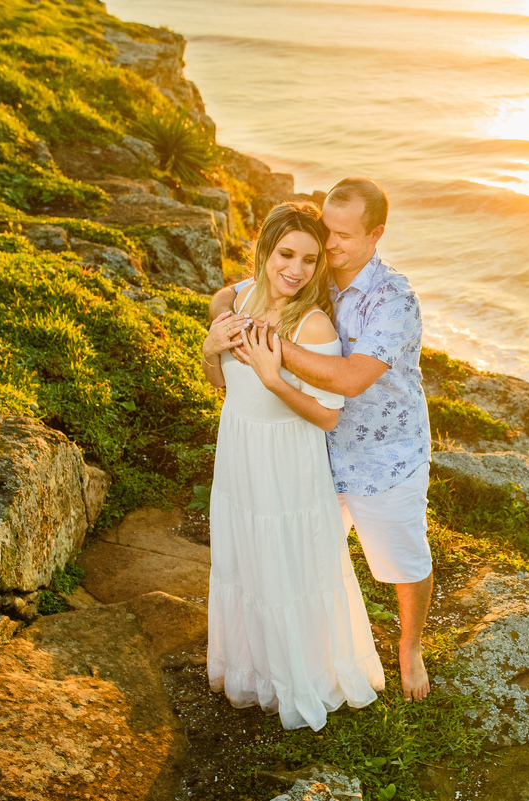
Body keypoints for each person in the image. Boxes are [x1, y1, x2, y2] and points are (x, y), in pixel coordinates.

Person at [210, 178, 433, 702]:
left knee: (403, 560)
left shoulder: (392, 297)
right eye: (325, 231)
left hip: (382, 457)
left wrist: (270, 349)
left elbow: (352, 378)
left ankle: (411, 646)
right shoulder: (316, 274)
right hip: (310, 452)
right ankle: (306, 657)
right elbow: (258, 281)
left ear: (376, 234)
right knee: (305, 563)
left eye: (342, 237)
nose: (329, 246)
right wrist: (224, 316)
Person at [201, 201, 385, 730]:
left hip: (286, 460)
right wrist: (211, 347)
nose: (296, 270)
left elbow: (329, 417)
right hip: (239, 451)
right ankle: (255, 670)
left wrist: (275, 378)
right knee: (247, 563)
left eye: (310, 259)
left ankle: (301, 677)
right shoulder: (236, 299)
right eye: (286, 254)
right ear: (263, 251)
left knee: (286, 567)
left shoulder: (312, 323)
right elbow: (219, 383)